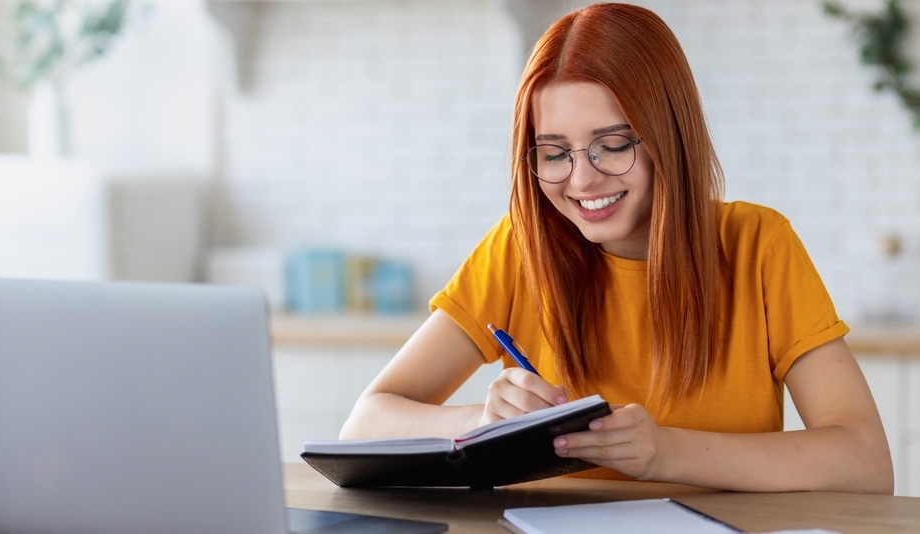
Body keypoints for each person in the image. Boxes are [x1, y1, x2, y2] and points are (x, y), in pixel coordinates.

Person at [339, 2, 893, 494]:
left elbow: (865, 463)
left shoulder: (757, 246)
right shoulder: (521, 247)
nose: (581, 180)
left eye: (612, 145)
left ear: (667, 137)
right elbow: (364, 424)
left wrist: (667, 452)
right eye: (554, 153)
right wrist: (482, 418)